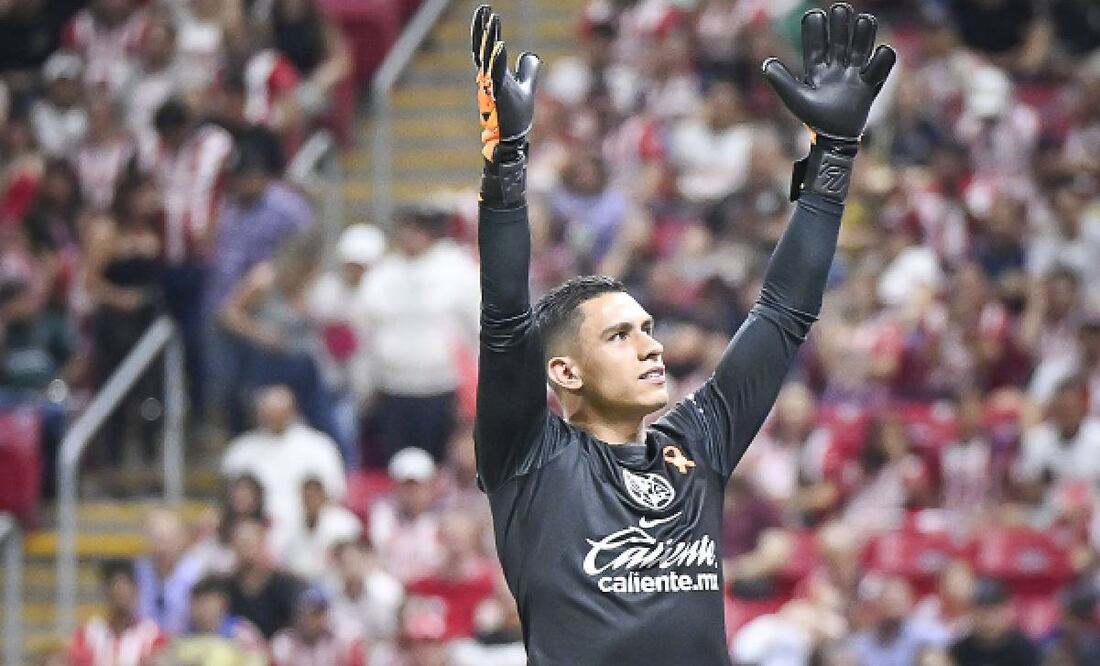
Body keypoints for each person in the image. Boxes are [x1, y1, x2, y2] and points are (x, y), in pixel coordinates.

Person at [468, 3, 895, 663]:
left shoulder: (699, 442)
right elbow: (504, 321)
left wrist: (834, 157)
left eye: (648, 329)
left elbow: (783, 312)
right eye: (620, 336)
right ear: (563, 373)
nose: (653, 345)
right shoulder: (529, 457)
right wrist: (507, 173)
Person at [222, 384, 346, 537]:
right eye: (266, 413)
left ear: (293, 412)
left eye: (277, 413)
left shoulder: (319, 447)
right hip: (255, 531)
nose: (271, 418)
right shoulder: (241, 449)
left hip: (305, 530)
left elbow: (333, 495)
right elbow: (230, 501)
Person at [68, 559, 168, 666]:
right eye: (118, 590)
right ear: (106, 592)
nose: (123, 596)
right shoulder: (89, 635)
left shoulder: (152, 636)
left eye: (126, 589)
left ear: (136, 590)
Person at [134, 508, 205, 635]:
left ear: (182, 539)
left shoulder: (198, 573)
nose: (162, 547)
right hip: (146, 646)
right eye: (156, 539)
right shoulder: (135, 573)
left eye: (168, 539)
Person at [949, 578, 1040, 666]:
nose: (988, 619)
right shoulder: (959, 651)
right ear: (972, 613)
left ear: (1007, 610)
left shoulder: (1024, 650)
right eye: (982, 612)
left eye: (994, 611)